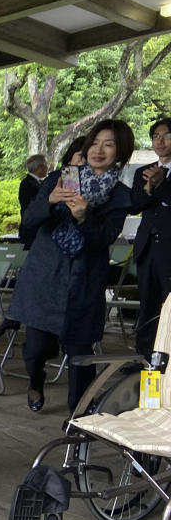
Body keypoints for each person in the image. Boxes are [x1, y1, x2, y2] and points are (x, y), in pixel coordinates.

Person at [9, 119, 134, 413]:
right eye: (95, 142)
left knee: (80, 353)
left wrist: (83, 218)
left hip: (84, 280)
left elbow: (104, 237)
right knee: (35, 349)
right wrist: (50, 201)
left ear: (121, 152)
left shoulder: (120, 195)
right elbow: (28, 222)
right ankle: (36, 382)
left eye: (109, 144)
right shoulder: (58, 178)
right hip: (45, 276)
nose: (99, 150)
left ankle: (79, 416)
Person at [129, 117, 171, 358]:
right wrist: (148, 187)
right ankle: (143, 358)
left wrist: (162, 184)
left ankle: (167, 359)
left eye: (166, 136)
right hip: (147, 249)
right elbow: (135, 206)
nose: (160, 141)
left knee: (169, 306)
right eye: (155, 136)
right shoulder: (142, 173)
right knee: (147, 305)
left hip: (169, 249)